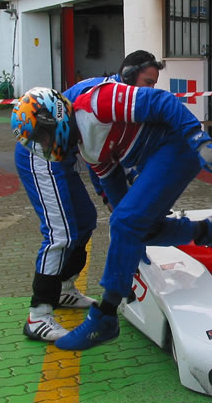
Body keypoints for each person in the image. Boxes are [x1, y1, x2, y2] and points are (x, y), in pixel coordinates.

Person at [10, 58, 212, 351]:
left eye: (43, 136)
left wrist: (200, 141)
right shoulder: (86, 149)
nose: (44, 145)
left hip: (176, 147)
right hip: (155, 158)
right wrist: (127, 242)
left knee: (126, 223)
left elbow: (162, 101)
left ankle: (105, 316)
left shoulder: (97, 103)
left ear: (54, 117)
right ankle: (208, 231)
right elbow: (112, 185)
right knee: (133, 226)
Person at [16, 50, 165, 342]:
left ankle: (64, 289)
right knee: (61, 233)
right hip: (43, 154)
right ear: (128, 76)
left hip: (65, 158)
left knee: (84, 221)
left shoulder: (122, 101)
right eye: (148, 82)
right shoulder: (103, 95)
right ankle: (38, 314)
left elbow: (101, 159)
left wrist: (115, 203)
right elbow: (98, 160)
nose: (152, 90)